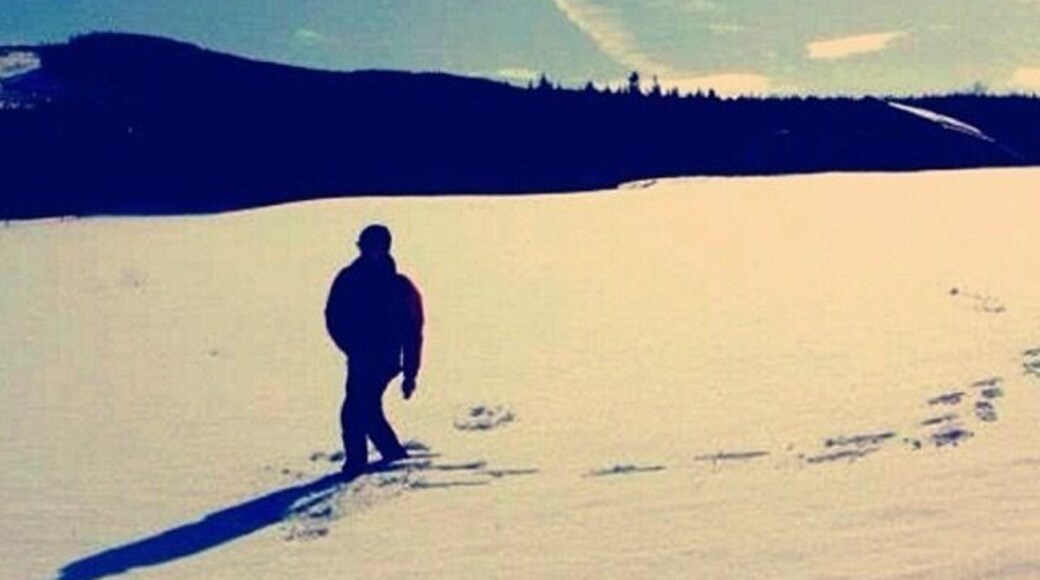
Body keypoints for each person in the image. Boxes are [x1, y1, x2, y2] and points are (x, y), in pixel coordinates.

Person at [325, 224, 424, 478]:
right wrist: (351, 347)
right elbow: (333, 316)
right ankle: (387, 456)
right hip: (360, 358)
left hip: (385, 360)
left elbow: (413, 330)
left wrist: (410, 373)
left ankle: (360, 464)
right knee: (364, 409)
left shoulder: (399, 286)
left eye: (374, 247)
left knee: (356, 410)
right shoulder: (349, 278)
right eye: (365, 247)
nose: (369, 252)